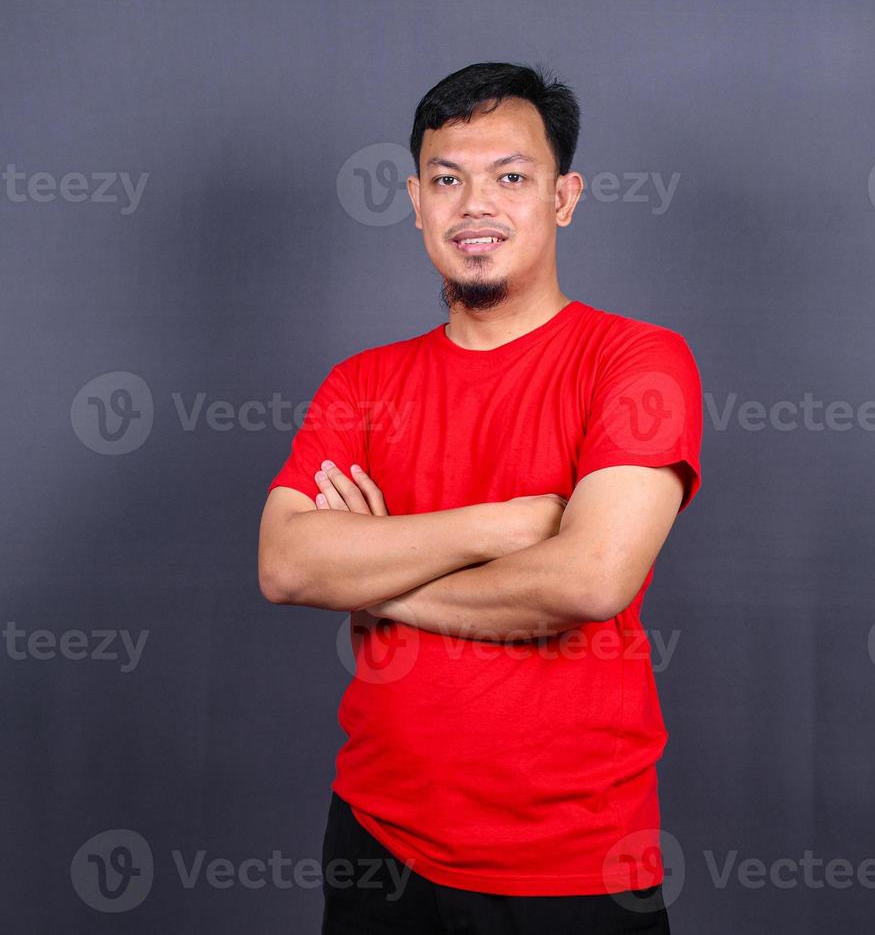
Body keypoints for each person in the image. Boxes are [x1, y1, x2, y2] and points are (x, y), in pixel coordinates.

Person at [258, 61, 703, 934]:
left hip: (573, 863)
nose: (475, 206)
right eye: (447, 180)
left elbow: (587, 583)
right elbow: (285, 564)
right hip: (376, 847)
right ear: (416, 201)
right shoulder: (361, 382)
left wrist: (371, 571)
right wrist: (506, 524)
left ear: (564, 197)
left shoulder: (637, 360)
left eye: (511, 177)